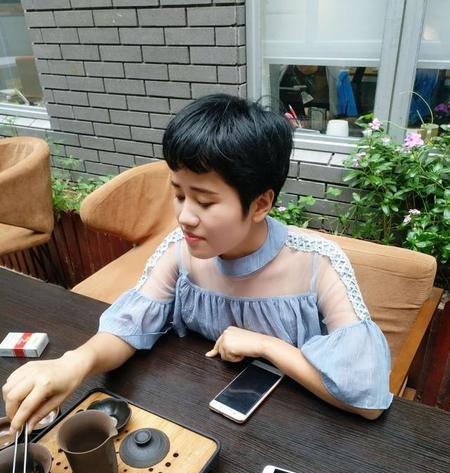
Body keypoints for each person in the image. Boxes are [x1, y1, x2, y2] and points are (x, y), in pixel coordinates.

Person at [3, 94, 392, 432]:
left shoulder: (317, 264)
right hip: (196, 416)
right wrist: (73, 363)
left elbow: (367, 399)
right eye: (178, 195)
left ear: (260, 203)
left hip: (297, 430)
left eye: (204, 201)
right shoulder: (180, 251)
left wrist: (267, 346)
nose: (185, 217)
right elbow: (129, 327)